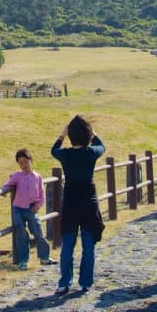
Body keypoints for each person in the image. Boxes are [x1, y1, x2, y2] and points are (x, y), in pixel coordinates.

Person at [51, 114, 106, 295]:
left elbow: (54, 150)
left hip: (70, 202)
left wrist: (62, 135)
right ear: (87, 135)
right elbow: (102, 146)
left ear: (71, 135)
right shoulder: (91, 153)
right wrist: (93, 134)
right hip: (89, 202)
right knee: (88, 246)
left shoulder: (65, 154)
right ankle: (85, 282)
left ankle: (65, 282)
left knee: (68, 245)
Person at [1, 148, 57, 270]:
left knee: (38, 232)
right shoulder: (17, 176)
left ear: (31, 161)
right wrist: (3, 190)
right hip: (18, 209)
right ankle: (23, 261)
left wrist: (37, 206)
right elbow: (7, 184)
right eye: (21, 163)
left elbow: (42, 196)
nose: (24, 165)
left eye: (26, 162)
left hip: (31, 208)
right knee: (21, 233)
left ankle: (44, 257)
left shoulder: (38, 177)